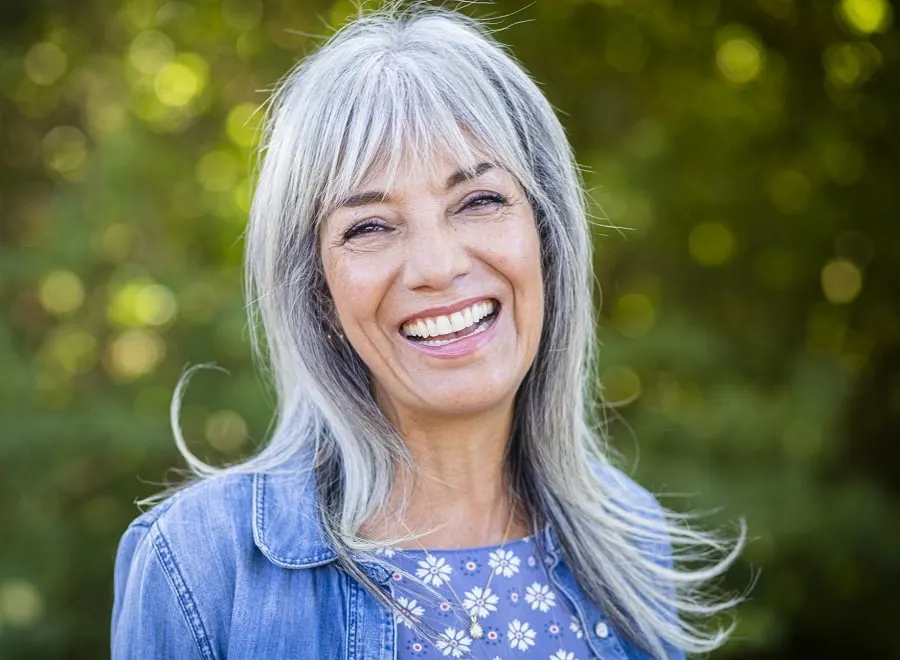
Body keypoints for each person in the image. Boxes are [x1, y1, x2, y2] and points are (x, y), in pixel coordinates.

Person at [111, 5, 744, 659]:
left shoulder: (632, 534)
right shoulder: (201, 566)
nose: (439, 267)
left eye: (479, 201)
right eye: (370, 226)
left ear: (545, 239)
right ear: (318, 291)